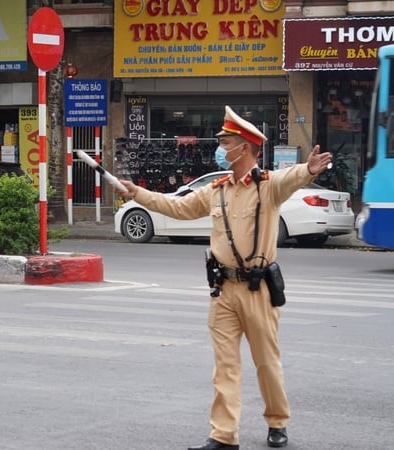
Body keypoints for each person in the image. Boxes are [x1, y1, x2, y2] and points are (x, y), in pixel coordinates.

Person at [117, 105, 332, 450]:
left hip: (258, 289)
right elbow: (179, 207)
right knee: (225, 368)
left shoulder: (267, 187)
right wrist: (138, 193)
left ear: (244, 147)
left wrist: (308, 169)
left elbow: (291, 177)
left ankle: (277, 422)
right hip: (223, 291)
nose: (220, 148)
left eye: (225, 141)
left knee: (266, 363)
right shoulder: (216, 190)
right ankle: (223, 435)